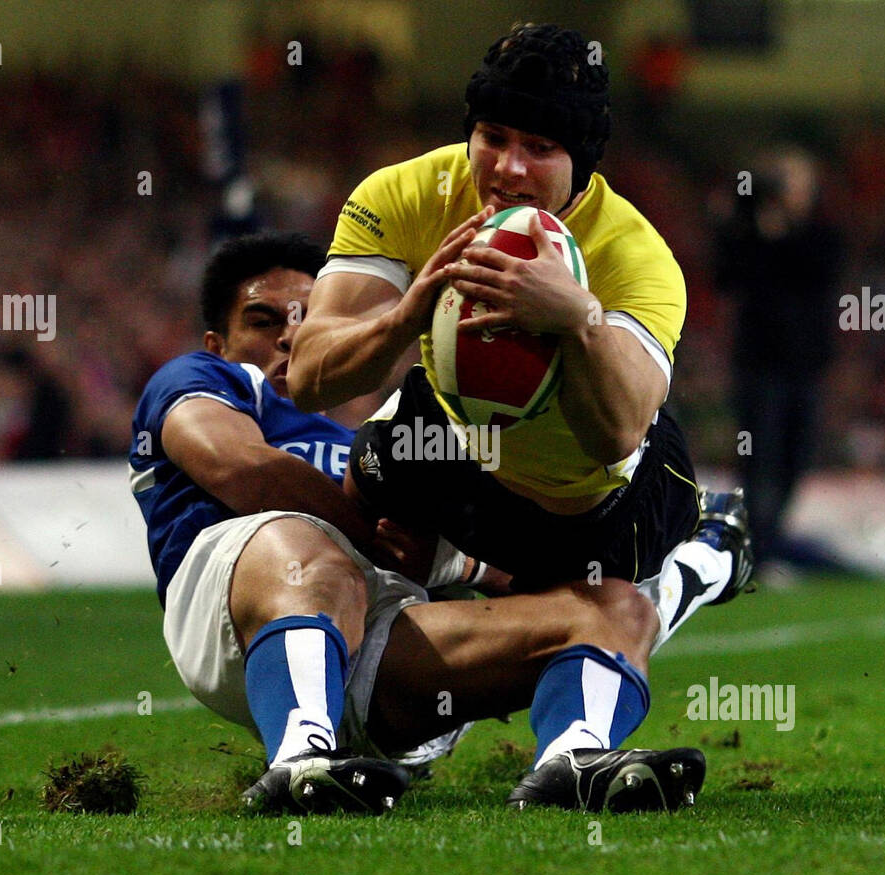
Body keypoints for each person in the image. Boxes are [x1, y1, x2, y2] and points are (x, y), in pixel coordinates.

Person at [129, 232, 707, 814]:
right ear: (216, 341)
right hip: (242, 614)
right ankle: (298, 761)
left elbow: (487, 565)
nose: (289, 335)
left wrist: (466, 564)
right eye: (261, 320)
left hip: (383, 642)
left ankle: (573, 761)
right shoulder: (201, 378)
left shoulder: (366, 443)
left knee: (612, 607)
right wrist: (373, 535)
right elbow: (242, 470)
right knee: (307, 544)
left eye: (307, 318)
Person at [288, 23, 752, 657]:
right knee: (372, 488)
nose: (509, 168)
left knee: (600, 635)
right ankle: (426, 676)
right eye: (493, 138)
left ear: (582, 162)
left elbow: (616, 433)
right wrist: (403, 319)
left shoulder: (637, 256)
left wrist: (578, 318)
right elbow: (309, 382)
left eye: (539, 147)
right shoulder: (405, 194)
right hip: (463, 454)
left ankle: (702, 566)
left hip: (595, 503)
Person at [713, 147, 843, 569]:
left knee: (794, 457)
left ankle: (768, 541)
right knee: (758, 459)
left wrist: (780, 235)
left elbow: (817, 272)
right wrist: (750, 224)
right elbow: (727, 276)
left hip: (805, 366)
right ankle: (753, 546)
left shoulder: (822, 235)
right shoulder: (747, 231)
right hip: (760, 365)